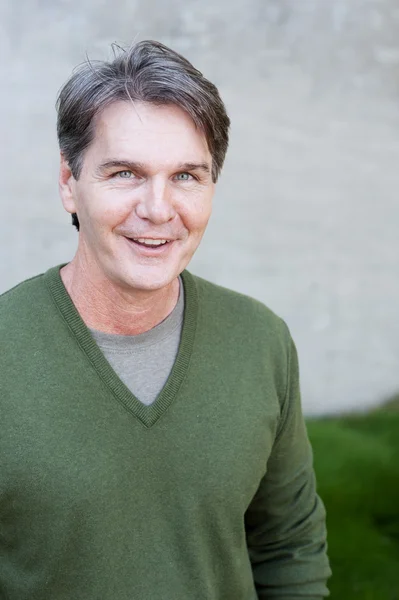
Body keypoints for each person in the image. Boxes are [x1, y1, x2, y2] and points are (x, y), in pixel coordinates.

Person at [0, 40, 331, 599]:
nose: (158, 208)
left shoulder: (261, 342)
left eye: (186, 176)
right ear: (68, 183)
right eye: (125, 173)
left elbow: (287, 547)